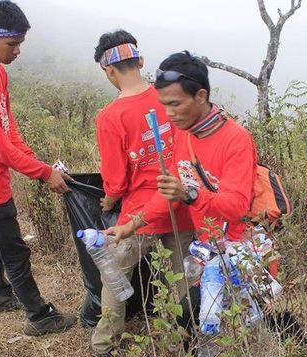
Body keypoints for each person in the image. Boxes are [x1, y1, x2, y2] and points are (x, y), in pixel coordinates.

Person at [0, 0, 76, 336]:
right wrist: (43, 173)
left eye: (20, 43)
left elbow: (9, 129)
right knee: (13, 248)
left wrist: (38, 162)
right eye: (12, 44)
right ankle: (38, 316)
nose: (17, 51)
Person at [88, 30, 195, 357]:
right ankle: (188, 342)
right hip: (179, 207)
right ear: (141, 61)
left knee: (114, 279)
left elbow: (116, 180)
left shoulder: (110, 117)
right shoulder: (171, 99)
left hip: (138, 218)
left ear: (109, 71)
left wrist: (108, 200)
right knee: (184, 281)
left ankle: (104, 346)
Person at [108, 50, 258, 247]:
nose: (169, 114)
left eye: (175, 104)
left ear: (200, 96)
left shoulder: (236, 139)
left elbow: (236, 207)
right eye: (164, 105)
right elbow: (169, 191)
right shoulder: (184, 134)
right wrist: (130, 226)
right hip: (209, 246)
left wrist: (189, 194)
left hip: (242, 250)